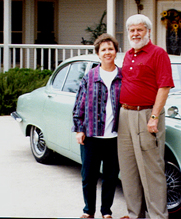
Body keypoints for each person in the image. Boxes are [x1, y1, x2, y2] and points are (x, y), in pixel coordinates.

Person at [118, 14, 174, 219]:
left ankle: (158, 216)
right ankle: (135, 215)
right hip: (125, 114)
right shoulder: (128, 55)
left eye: (139, 29)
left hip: (146, 115)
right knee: (128, 169)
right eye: (132, 30)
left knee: (152, 171)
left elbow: (164, 86)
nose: (135, 33)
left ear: (148, 32)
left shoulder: (158, 54)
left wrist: (154, 117)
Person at [72, 33, 122, 218]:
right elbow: (79, 104)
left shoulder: (123, 76)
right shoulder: (90, 76)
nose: (107, 52)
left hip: (115, 137)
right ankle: (88, 211)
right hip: (91, 136)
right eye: (103, 50)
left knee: (110, 177)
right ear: (98, 54)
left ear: (116, 52)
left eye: (111, 49)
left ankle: (106, 211)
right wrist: (79, 128)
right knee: (88, 177)